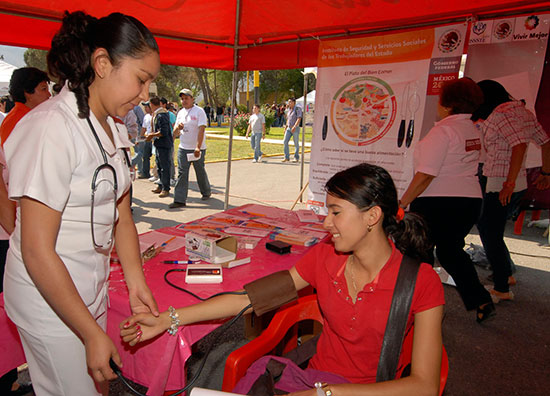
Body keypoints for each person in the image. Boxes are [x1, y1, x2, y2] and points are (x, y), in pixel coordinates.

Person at [121, 163, 445, 395]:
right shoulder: (325, 257)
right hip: (317, 380)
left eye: (335, 212)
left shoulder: (421, 282)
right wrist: (168, 319)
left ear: (372, 216)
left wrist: (326, 394)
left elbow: (424, 385)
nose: (326, 223)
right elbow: (249, 299)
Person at [3, 11, 160, 396]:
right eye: (141, 80)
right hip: (47, 295)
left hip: (87, 285)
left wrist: (136, 280)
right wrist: (91, 332)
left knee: (97, 383)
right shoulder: (51, 129)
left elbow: (121, 213)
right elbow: (37, 251)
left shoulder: (112, 126)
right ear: (102, 63)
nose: (145, 95)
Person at [400, 78, 494, 323]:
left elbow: (426, 174)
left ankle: (419, 305)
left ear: (446, 104)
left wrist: (402, 203)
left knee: (419, 253)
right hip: (469, 200)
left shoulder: (443, 131)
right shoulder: (472, 129)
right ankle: (480, 298)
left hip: (437, 202)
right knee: (451, 251)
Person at [472, 80, 550, 302]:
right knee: (492, 229)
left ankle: (501, 287)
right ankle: (504, 273)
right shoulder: (520, 111)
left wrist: (508, 183)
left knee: (489, 231)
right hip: (514, 182)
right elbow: (545, 142)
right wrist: (546, 172)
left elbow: (519, 146)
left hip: (501, 183)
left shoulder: (501, 114)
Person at [169, 88, 211, 209]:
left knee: (200, 171)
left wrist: (198, 147)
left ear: (192, 99)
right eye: (182, 99)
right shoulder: (181, 113)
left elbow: (201, 129)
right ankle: (179, 199)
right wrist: (178, 128)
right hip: (184, 148)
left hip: (197, 148)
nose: (184, 101)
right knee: (182, 173)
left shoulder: (199, 111)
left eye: (186, 98)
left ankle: (206, 191)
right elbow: (175, 132)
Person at [0, 67, 50, 147]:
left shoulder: (25, 116)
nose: (49, 94)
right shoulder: (20, 121)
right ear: (28, 92)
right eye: (44, 89)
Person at [148, 96, 173, 198]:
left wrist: (152, 135)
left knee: (164, 167)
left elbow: (164, 131)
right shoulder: (157, 114)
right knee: (159, 166)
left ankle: (166, 188)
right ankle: (160, 185)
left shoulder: (162, 115)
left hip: (164, 144)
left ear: (152, 104)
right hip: (159, 144)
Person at [282, 97, 302, 162]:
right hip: (288, 128)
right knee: (285, 141)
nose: (289, 103)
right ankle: (286, 157)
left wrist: (295, 126)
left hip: (295, 128)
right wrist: (285, 128)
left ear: (294, 102)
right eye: (288, 102)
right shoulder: (289, 110)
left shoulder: (297, 109)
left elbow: (299, 118)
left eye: (290, 102)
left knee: (296, 143)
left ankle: (296, 157)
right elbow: (288, 119)